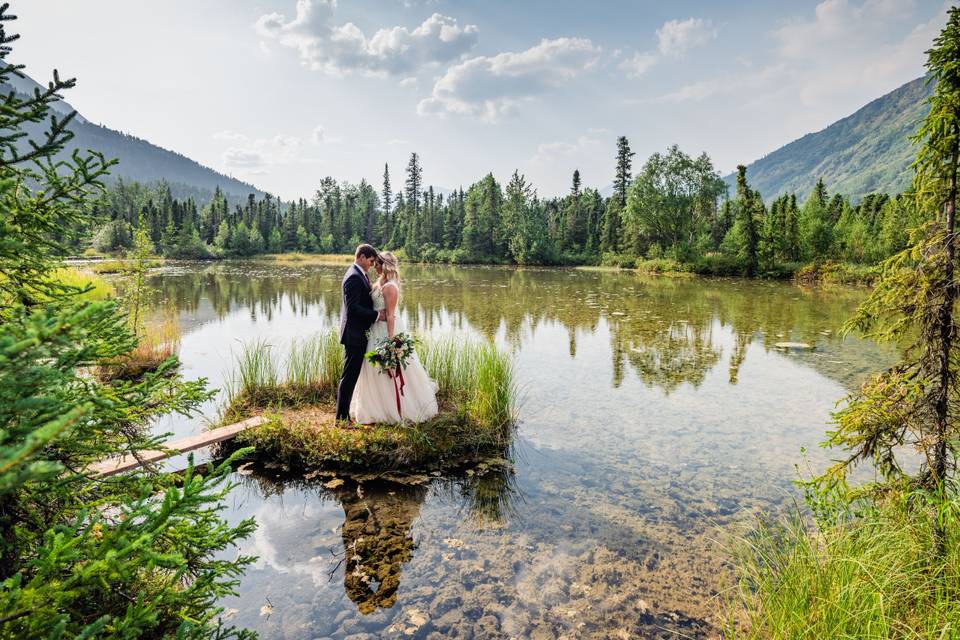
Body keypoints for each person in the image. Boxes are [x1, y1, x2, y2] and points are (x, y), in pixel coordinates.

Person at [350, 251, 438, 424]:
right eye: (373, 264)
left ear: (385, 265)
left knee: (388, 369)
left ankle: (393, 409)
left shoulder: (391, 286)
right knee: (372, 369)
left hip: (386, 331)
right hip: (375, 330)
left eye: (377, 264)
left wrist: (390, 342)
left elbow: (391, 316)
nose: (375, 267)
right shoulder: (379, 283)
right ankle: (373, 407)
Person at [335, 244, 383, 425]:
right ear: (361, 257)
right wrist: (378, 315)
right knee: (349, 377)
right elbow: (353, 309)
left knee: (352, 375)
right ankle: (340, 418)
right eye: (370, 261)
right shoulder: (353, 277)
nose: (371, 265)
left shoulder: (360, 274)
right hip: (354, 335)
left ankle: (343, 416)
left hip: (358, 333)